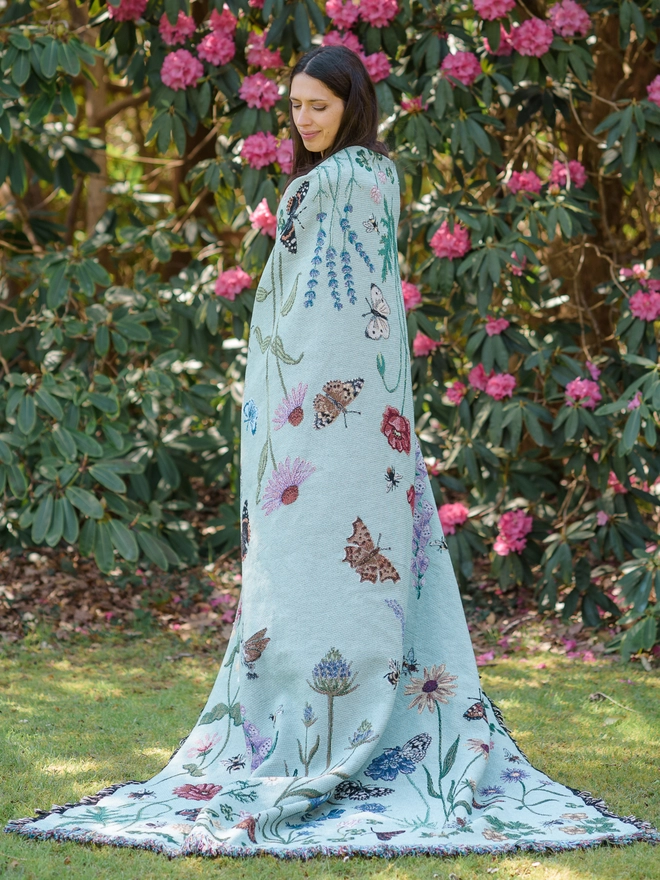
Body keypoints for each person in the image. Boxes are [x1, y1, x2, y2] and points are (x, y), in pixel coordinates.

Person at [4, 45, 657, 860]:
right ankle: (344, 717)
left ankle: (323, 727)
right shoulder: (376, 176)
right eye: (295, 107)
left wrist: (294, 413)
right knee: (341, 565)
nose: (303, 120)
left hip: (324, 424)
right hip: (348, 421)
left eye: (318, 105)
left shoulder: (340, 181)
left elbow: (328, 318)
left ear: (352, 103)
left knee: (321, 567)